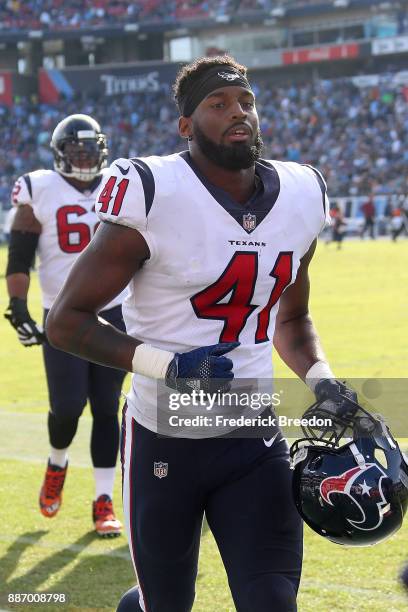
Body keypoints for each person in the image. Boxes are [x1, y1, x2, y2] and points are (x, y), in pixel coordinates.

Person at [46, 57, 355, 611]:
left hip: (253, 437)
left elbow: (290, 317)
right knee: (164, 605)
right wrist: (171, 367)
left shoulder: (302, 192)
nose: (238, 113)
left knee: (271, 601)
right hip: (165, 439)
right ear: (186, 125)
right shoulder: (152, 189)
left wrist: (322, 380)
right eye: (218, 105)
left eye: (245, 102)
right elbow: (66, 321)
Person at [4, 114, 126, 537]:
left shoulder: (120, 181)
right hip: (62, 313)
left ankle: (103, 499)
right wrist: (17, 304)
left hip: (114, 312)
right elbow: (20, 255)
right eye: (76, 151)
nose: (85, 157)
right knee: (69, 407)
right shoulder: (38, 187)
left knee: (108, 408)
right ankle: (57, 461)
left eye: (90, 150)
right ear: (60, 154)